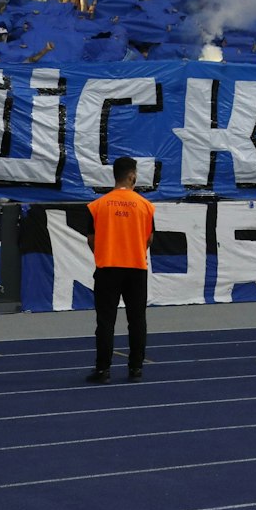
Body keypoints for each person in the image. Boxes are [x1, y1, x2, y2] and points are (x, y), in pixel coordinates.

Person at [85, 154, 155, 384]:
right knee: (137, 320)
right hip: (136, 267)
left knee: (105, 321)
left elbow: (91, 239)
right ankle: (136, 367)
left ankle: (103, 370)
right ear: (132, 176)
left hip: (108, 267)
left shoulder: (98, 206)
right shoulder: (145, 206)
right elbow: (149, 238)